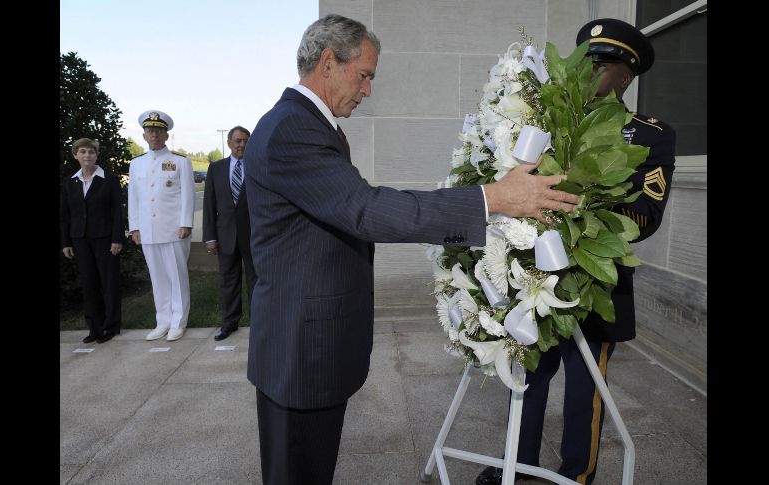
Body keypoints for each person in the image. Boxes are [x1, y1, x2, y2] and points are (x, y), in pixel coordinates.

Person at [243, 14, 581, 485]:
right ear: (327, 62)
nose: (367, 90)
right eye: (364, 75)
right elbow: (363, 209)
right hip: (301, 350)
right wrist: (493, 198)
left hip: (303, 342)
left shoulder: (302, 125)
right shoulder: (293, 129)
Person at [475, 18, 676, 485]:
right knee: (529, 372)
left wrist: (576, 218)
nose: (589, 73)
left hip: (597, 277)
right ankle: (519, 469)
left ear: (625, 76)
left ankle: (576, 476)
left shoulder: (649, 133)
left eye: (602, 65)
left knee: (585, 387)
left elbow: (645, 214)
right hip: (534, 274)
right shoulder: (540, 123)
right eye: (584, 62)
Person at [128, 110, 195, 341]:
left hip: (174, 229)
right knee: (157, 278)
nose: (154, 134)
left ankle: (178, 321)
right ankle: (163, 321)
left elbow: (188, 195)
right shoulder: (136, 164)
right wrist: (135, 227)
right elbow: (134, 198)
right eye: (150, 131)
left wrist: (186, 222)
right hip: (148, 230)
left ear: (166, 135)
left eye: (158, 131)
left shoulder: (180, 161)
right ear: (144, 136)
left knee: (177, 277)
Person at [61, 138, 124, 344]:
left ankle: (111, 326)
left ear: (96, 155)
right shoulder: (70, 181)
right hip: (80, 239)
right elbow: (65, 214)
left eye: (91, 152)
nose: (87, 155)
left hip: (105, 239)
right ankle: (94, 328)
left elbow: (117, 212)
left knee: (108, 282)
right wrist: (66, 242)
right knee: (89, 284)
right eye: (83, 152)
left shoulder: (109, 180)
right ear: (75, 155)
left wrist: (117, 239)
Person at [202, 126, 256, 341]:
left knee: (256, 281)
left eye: (245, 141)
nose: (242, 144)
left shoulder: (257, 166)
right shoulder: (216, 168)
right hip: (225, 237)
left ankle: (258, 323)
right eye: (238, 141)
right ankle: (229, 323)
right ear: (229, 143)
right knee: (228, 281)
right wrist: (210, 237)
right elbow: (209, 205)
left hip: (253, 236)